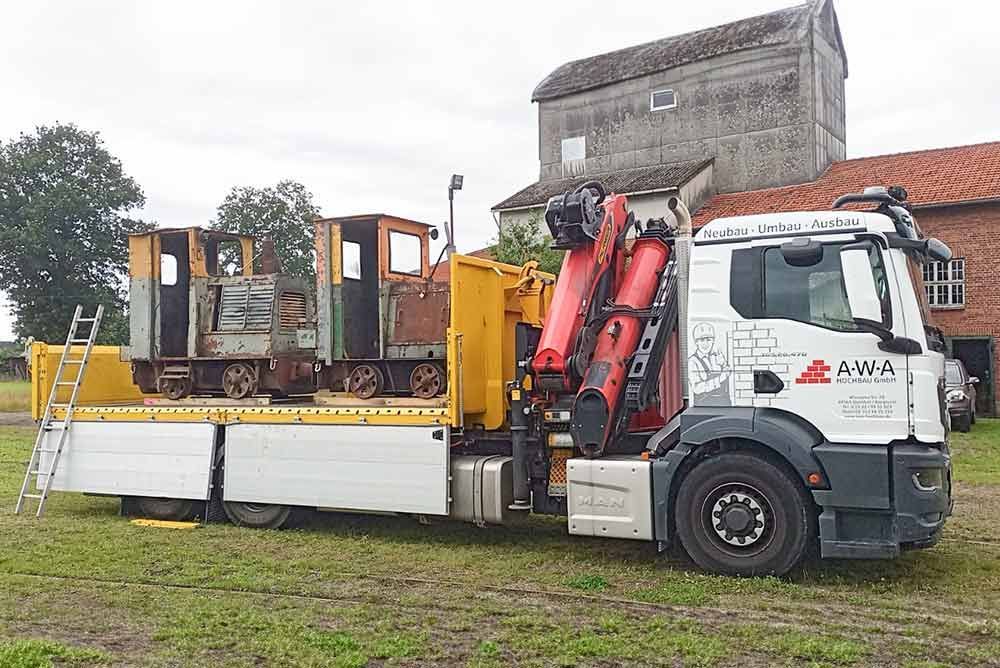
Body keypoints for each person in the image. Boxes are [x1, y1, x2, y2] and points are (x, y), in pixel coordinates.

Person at [689, 322, 731, 405]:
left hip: (724, 403)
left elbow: (728, 372)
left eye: (708, 339)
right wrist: (719, 379)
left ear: (713, 341)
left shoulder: (716, 356)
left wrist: (724, 365)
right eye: (702, 340)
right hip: (704, 405)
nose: (706, 343)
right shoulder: (693, 361)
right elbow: (697, 388)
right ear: (696, 342)